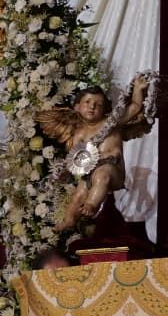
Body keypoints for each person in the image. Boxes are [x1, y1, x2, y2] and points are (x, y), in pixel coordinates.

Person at [36, 73, 157, 230]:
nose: (92, 106)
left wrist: (139, 89)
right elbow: (76, 157)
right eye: (87, 102)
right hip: (89, 170)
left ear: (105, 109)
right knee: (78, 194)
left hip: (111, 168)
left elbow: (134, 107)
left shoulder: (112, 122)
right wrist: (66, 170)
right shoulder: (79, 133)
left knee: (102, 176)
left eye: (98, 104)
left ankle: (92, 204)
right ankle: (69, 220)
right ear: (77, 107)